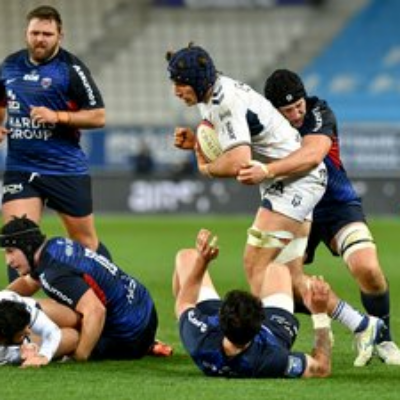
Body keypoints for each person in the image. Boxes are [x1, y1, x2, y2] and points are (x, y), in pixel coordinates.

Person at [237, 68, 400, 366]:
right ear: (274, 110)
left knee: (368, 269)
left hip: (336, 206)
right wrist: (197, 143)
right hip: (294, 210)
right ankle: (341, 319)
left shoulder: (319, 113)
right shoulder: (262, 123)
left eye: (299, 105)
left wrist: (267, 170)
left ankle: (383, 337)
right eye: (288, 110)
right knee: (280, 283)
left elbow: (312, 155)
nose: (297, 114)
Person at [167, 43, 327, 300]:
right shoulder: (211, 94)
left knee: (255, 265)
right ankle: (356, 322)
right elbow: (231, 143)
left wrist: (206, 168)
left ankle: (269, 328)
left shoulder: (224, 102)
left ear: (197, 81)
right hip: (294, 178)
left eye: (180, 84)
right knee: (294, 282)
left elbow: (238, 162)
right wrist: (198, 143)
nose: (176, 91)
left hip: (295, 181)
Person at [0, 5, 112, 282]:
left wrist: (58, 116)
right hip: (20, 167)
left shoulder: (71, 69)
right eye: (35, 33)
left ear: (60, 35)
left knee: (86, 244)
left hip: (64, 168)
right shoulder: (10, 65)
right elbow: (2, 104)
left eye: (47, 34)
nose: (40, 39)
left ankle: (112, 294)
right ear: (26, 33)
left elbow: (98, 116)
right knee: (17, 239)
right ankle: (15, 308)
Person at [0, 215, 173, 361]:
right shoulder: (55, 246)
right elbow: (29, 282)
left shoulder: (55, 274)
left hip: (128, 337)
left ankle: (8, 351)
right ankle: (148, 344)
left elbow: (96, 311)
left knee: (60, 330)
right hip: (144, 311)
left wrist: (79, 356)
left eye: (10, 251)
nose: (8, 261)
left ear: (27, 247)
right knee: (33, 309)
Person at [173, 228, 333, 378]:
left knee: (187, 257)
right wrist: (320, 314)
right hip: (274, 330)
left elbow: (184, 302)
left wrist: (202, 261)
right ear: (260, 324)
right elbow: (321, 368)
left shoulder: (200, 339)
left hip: (226, 331)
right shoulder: (272, 358)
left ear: (219, 318)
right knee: (277, 269)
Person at [0, 289, 79, 367]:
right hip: (13, 343)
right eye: (21, 334)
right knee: (73, 337)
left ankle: (51, 303)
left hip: (29, 306)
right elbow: (12, 355)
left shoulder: (15, 305)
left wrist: (44, 356)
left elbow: (51, 330)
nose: (28, 332)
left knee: (73, 318)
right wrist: (23, 353)